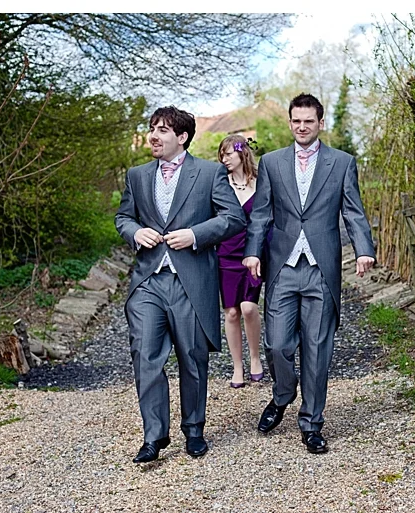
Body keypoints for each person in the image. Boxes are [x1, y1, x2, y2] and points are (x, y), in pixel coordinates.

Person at [242, 93, 375, 454]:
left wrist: (363, 249)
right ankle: (283, 393)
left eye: (309, 121)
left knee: (317, 349)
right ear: (290, 123)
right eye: (296, 121)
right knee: (277, 344)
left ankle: (311, 423)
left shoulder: (342, 162)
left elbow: (353, 211)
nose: (302, 127)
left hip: (321, 268)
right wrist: (252, 252)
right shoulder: (271, 162)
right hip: (282, 266)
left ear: (320, 123)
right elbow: (261, 213)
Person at [116, 106, 245, 462]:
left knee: (192, 356)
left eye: (162, 130)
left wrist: (195, 234)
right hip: (148, 281)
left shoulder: (209, 173)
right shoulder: (137, 176)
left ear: (182, 137)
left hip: (191, 280)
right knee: (145, 355)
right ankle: (154, 437)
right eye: (152, 128)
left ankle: (194, 430)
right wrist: (134, 231)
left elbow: (234, 218)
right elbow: (123, 216)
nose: (153, 136)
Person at [216, 135, 265, 388]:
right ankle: (237, 366)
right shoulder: (219, 184)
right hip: (226, 254)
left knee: (248, 307)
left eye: (228, 154)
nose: (224, 159)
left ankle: (255, 357)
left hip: (253, 253)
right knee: (232, 312)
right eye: (221, 155)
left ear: (242, 153)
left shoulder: (261, 182)